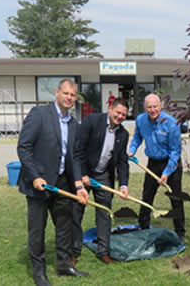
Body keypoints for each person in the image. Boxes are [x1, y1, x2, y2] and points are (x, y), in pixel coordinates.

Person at [17, 79, 90, 286]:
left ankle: (65, 265)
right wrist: (34, 176)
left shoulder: (74, 124)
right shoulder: (40, 115)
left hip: (62, 184)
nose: (69, 98)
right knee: (37, 230)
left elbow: (75, 157)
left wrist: (78, 184)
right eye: (66, 93)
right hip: (39, 185)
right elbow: (24, 147)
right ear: (57, 93)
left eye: (73, 95)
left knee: (65, 226)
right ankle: (39, 273)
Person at [72, 98, 130, 264]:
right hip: (84, 172)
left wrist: (124, 185)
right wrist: (82, 176)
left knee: (104, 212)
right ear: (110, 109)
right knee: (77, 210)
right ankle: (73, 251)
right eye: (118, 112)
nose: (119, 117)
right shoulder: (92, 121)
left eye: (123, 115)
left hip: (103, 174)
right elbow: (78, 151)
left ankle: (103, 251)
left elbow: (122, 162)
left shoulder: (123, 134)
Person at [127, 93, 184, 239]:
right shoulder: (140, 120)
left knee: (175, 198)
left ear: (161, 106)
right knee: (147, 195)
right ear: (144, 108)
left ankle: (180, 232)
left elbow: (175, 151)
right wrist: (132, 150)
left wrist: (166, 173)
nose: (152, 110)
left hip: (171, 163)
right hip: (153, 163)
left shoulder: (170, 123)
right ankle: (143, 226)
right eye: (149, 107)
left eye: (155, 106)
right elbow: (137, 137)